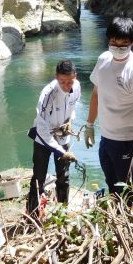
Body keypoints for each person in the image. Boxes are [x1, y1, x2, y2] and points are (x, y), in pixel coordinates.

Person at [84, 15, 133, 205]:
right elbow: (96, 94)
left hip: (128, 140)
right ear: (108, 40)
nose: (117, 48)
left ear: (132, 43)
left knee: (130, 187)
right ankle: (119, 218)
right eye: (113, 43)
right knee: (112, 183)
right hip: (107, 136)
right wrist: (89, 124)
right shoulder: (103, 60)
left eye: (123, 45)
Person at [26, 59, 81, 217]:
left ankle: (62, 210)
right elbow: (42, 129)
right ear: (56, 77)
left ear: (75, 77)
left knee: (64, 176)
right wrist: (61, 152)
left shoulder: (76, 87)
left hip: (63, 136)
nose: (66, 85)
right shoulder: (48, 94)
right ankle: (33, 212)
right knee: (39, 176)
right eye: (63, 81)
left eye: (70, 81)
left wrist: (70, 121)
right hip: (44, 139)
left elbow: (73, 106)